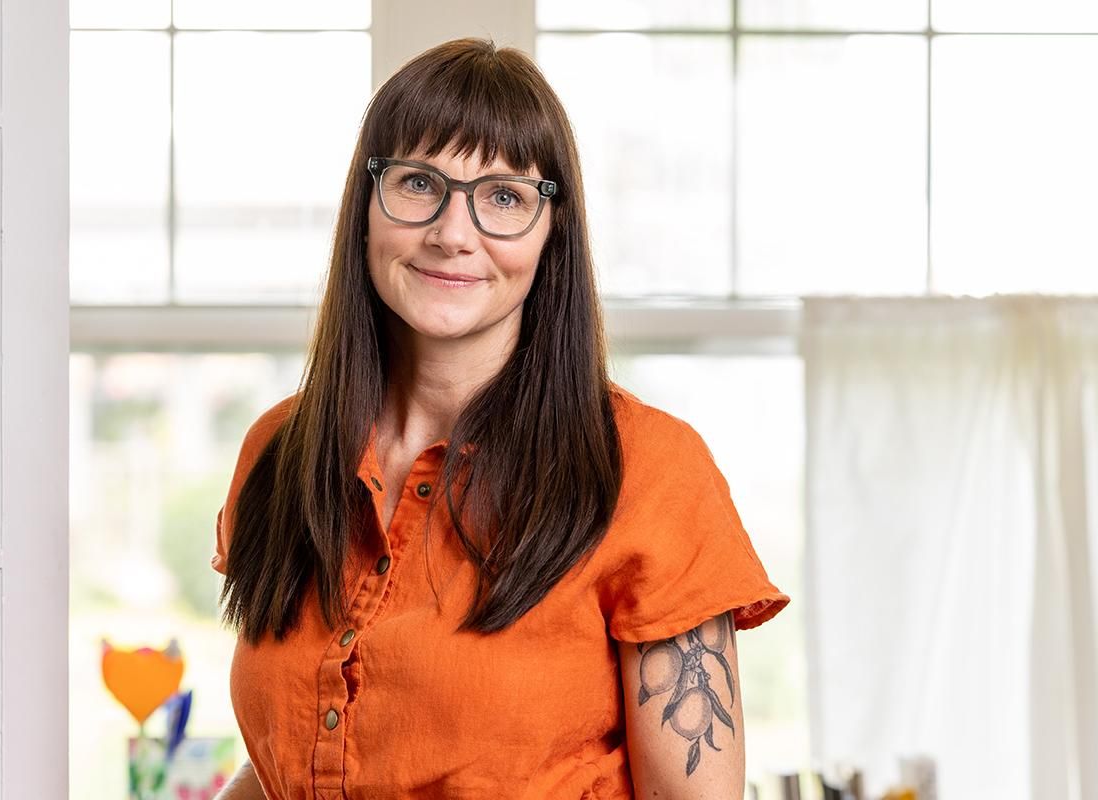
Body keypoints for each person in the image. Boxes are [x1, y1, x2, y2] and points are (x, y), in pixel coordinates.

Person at [211, 37, 789, 800]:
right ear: (366, 207)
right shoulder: (280, 452)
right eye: (420, 183)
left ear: (553, 235)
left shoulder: (650, 470)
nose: (454, 232)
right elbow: (279, 766)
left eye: (505, 197)